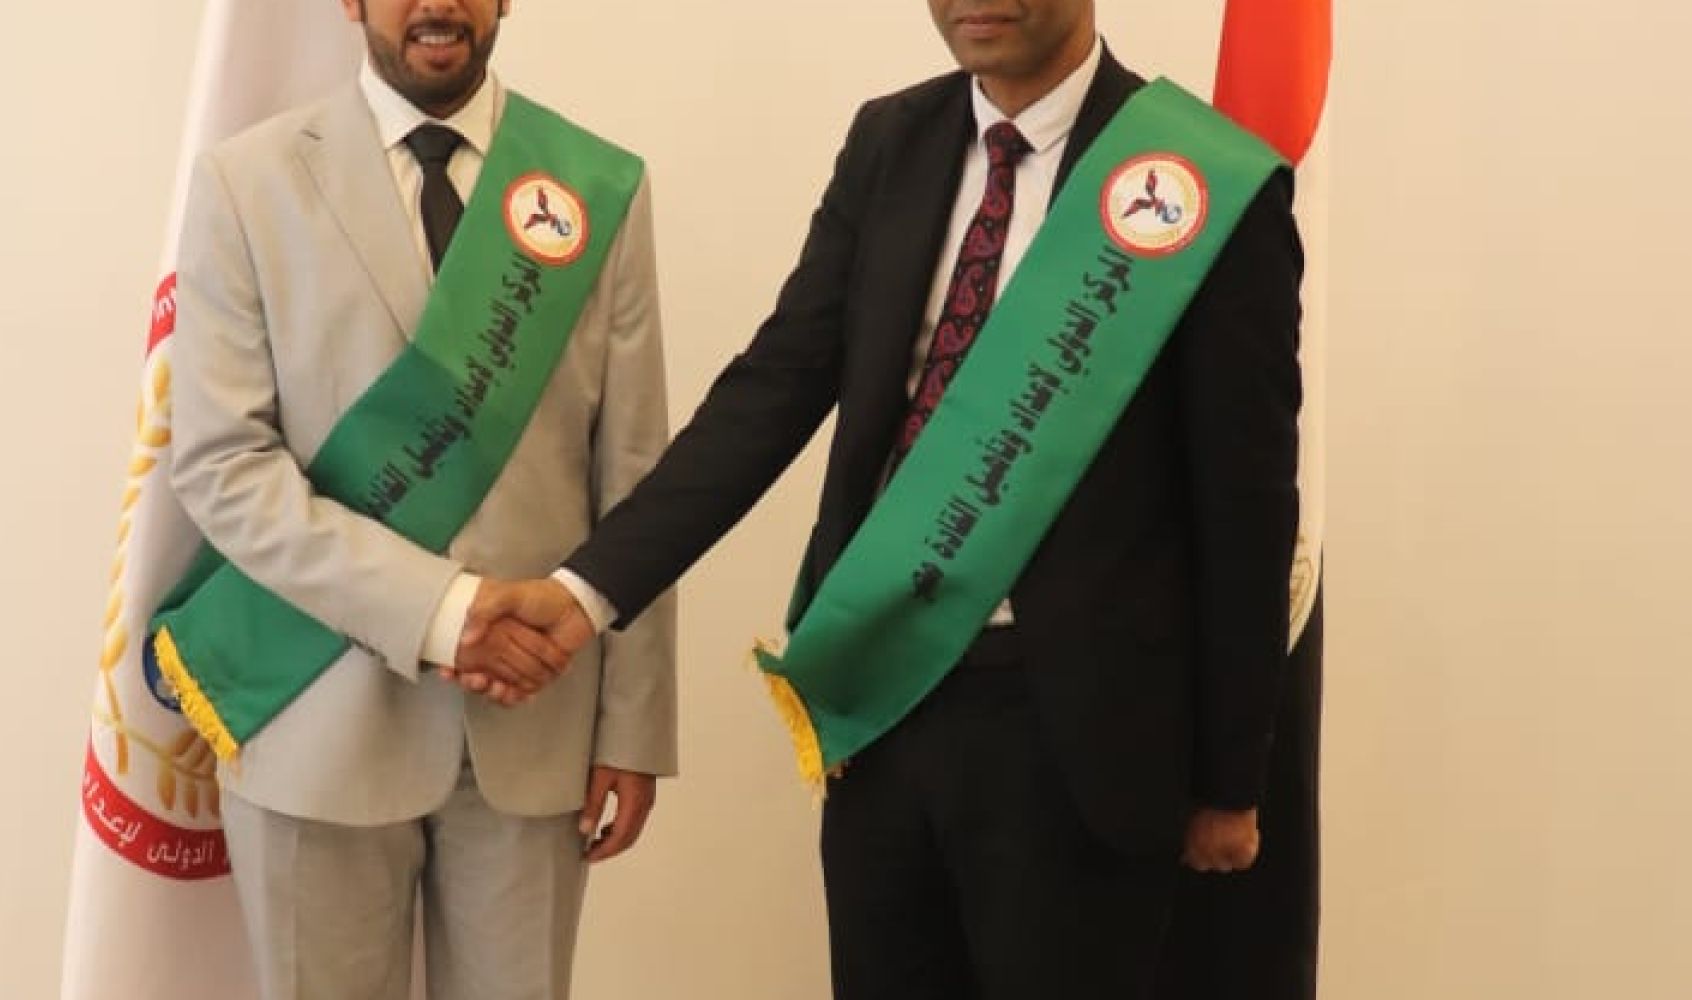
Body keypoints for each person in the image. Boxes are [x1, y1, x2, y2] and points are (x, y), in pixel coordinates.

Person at [458, 1, 1303, 997]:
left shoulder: (1204, 182)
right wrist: (585, 590)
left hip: (1083, 740)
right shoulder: (891, 142)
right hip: (881, 704)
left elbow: (1246, 506)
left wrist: (1231, 780)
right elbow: (773, 390)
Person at [161, 1, 675, 997]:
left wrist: (634, 727)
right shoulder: (247, 182)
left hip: (536, 730)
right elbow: (226, 465)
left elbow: (635, 476)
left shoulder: (595, 185)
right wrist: (445, 612)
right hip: (310, 719)